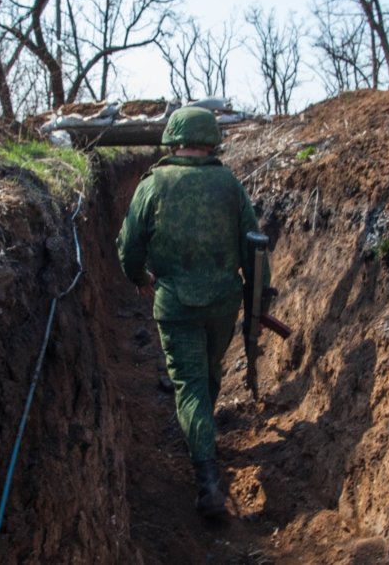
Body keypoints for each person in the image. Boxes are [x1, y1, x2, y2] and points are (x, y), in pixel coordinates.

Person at [116, 106, 270, 517]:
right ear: (211, 142)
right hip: (224, 302)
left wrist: (139, 278)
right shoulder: (229, 185)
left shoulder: (153, 185)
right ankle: (204, 433)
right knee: (209, 369)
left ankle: (207, 481)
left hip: (176, 304)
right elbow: (256, 247)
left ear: (173, 140)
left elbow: (128, 247)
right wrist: (257, 300)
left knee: (189, 383)